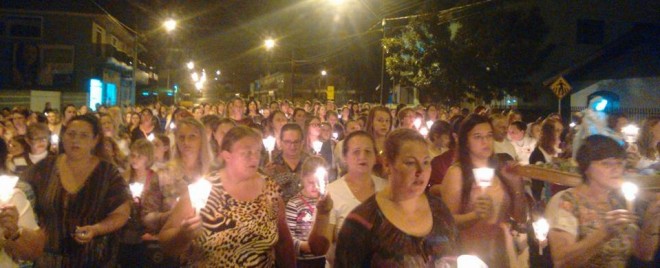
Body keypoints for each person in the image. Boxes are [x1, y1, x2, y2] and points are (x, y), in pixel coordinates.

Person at [159, 126, 296, 267]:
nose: (254, 157)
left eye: (257, 152)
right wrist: (183, 235)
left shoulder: (269, 190)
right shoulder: (204, 190)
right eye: (246, 153)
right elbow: (165, 241)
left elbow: (283, 242)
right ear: (226, 156)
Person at [335, 128, 459, 266]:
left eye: (426, 162)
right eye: (410, 163)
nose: (420, 171)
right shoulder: (363, 221)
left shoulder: (439, 210)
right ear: (387, 164)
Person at [21, 114, 131, 266]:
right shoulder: (44, 168)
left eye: (84, 135)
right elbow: (20, 194)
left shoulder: (106, 173)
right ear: (63, 136)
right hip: (49, 259)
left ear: (95, 140)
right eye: (71, 134)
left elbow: (121, 213)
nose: (75, 140)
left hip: (92, 258)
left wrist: (96, 229)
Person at [546, 135, 659, 267]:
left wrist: (652, 218)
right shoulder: (566, 201)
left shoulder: (616, 202)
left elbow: (644, 254)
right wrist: (604, 233)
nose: (616, 169)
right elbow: (561, 261)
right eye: (607, 163)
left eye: (620, 163)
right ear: (586, 167)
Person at [433, 114, 526, 267]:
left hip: (501, 251)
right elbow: (448, 222)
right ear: (466, 142)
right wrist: (474, 215)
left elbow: (520, 217)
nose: (485, 141)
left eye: (489, 136)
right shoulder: (457, 173)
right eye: (478, 137)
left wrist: (516, 186)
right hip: (471, 254)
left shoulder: (500, 170)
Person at [307, 131, 387, 266]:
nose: (362, 156)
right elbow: (319, 249)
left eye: (368, 151)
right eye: (356, 152)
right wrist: (323, 213)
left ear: (375, 157)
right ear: (345, 157)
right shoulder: (332, 192)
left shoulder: (387, 189)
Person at [142, 117, 212, 236]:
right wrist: (173, 215)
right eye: (181, 137)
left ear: (202, 140)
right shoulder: (163, 174)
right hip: (173, 240)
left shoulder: (213, 174)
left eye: (192, 137)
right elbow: (146, 217)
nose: (186, 142)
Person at [118, 139, 157, 267]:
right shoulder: (124, 177)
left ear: (148, 158)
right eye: (133, 155)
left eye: (139, 156)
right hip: (125, 232)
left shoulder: (154, 178)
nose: (134, 159)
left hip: (145, 232)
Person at [286, 156, 328, 267]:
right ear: (303, 178)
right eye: (311, 182)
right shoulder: (294, 204)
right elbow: (288, 238)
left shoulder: (326, 202)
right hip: (303, 262)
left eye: (319, 182)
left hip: (324, 259)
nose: (315, 186)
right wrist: (306, 246)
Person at [265, 123, 310, 202]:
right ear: (280, 142)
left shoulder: (311, 163)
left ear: (302, 142)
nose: (292, 146)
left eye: (296, 142)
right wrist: (267, 177)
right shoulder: (271, 165)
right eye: (287, 142)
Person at [365, 106, 392, 178]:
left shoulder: (393, 145)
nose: (384, 124)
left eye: (387, 121)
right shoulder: (365, 144)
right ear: (371, 122)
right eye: (380, 120)